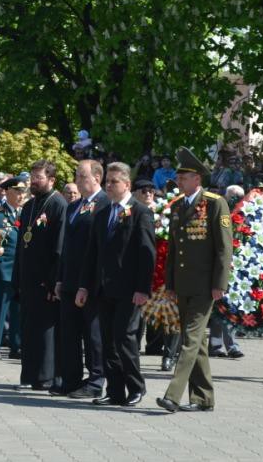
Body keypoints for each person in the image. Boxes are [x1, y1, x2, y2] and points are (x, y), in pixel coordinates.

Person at [156, 148, 232, 413]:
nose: (179, 181)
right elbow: (174, 250)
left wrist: (219, 283)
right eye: (179, 177)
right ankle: (203, 398)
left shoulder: (214, 203)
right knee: (197, 343)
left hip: (204, 285)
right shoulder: (177, 206)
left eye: (184, 177)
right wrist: (170, 284)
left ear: (197, 179)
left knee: (189, 338)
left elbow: (224, 247)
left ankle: (173, 395)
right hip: (183, 284)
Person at [76, 162, 156, 407]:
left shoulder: (140, 212)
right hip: (104, 289)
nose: (108, 186)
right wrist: (84, 286)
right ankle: (115, 390)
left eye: (114, 182)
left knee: (125, 338)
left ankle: (136, 386)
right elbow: (91, 254)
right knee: (108, 340)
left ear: (127, 184)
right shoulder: (102, 213)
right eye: (107, 182)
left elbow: (146, 253)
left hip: (129, 290)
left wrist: (143, 289)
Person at [13, 160, 67, 392]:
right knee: (28, 329)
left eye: (39, 177)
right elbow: (21, 245)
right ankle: (30, 374)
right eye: (32, 177)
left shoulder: (58, 205)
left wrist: (52, 280)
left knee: (45, 330)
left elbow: (59, 247)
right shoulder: (29, 206)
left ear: (51, 180)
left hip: (45, 281)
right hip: (27, 279)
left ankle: (45, 377)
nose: (33, 182)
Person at [58, 160, 110, 399]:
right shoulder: (74, 206)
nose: (77, 180)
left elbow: (98, 249)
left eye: (82, 176)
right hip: (69, 279)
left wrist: (87, 284)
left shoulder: (105, 205)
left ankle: (96, 379)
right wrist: (60, 278)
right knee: (69, 333)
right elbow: (66, 245)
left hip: (90, 282)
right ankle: (70, 379)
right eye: (77, 176)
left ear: (97, 178)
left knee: (92, 334)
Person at [0, 176, 25, 359]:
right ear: (7, 192)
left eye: (22, 192)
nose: (21, 195)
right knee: (0, 309)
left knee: (18, 310)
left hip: (21, 270)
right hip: (5, 268)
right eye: (17, 191)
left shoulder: (26, 214)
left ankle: (16, 346)